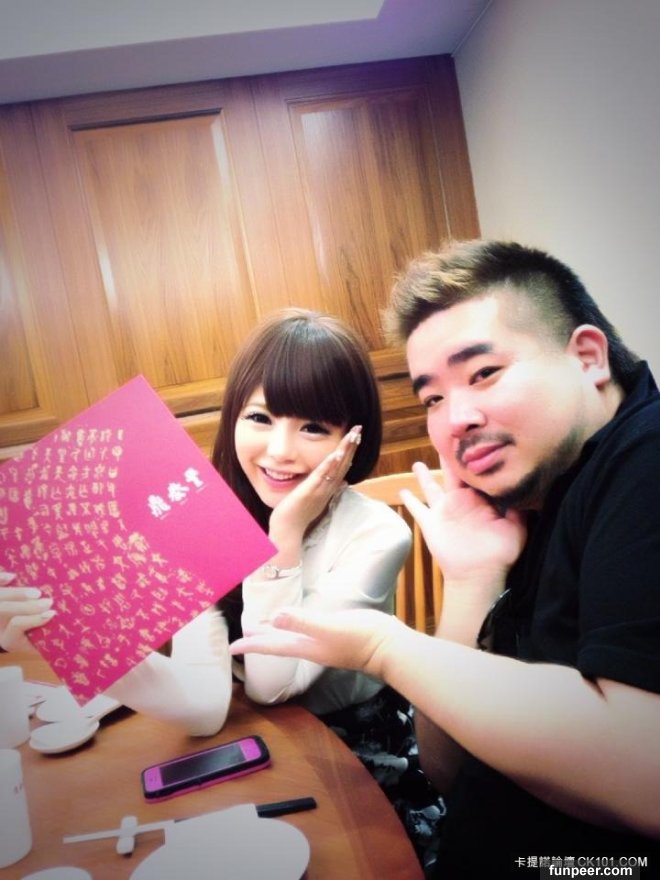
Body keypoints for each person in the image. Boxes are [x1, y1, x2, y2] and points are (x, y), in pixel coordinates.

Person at [230, 241, 660, 878]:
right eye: (432, 398)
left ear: (588, 356)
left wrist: (386, 648)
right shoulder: (537, 495)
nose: (457, 418)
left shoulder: (645, 462)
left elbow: (646, 774)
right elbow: (448, 768)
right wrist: (470, 581)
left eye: (483, 373)